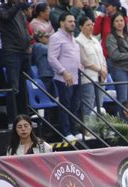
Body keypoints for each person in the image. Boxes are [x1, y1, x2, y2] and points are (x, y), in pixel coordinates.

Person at [0, 0, 33, 127]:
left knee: (25, 87)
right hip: (12, 52)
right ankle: (12, 120)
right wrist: (18, 6)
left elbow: (24, 29)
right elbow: (6, 17)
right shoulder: (1, 9)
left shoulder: (19, 11)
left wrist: (28, 44)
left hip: (24, 53)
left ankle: (25, 120)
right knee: (13, 87)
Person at [48, 12, 83, 142]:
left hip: (76, 77)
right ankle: (66, 132)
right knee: (65, 105)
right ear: (62, 22)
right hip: (63, 78)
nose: (73, 23)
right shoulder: (56, 37)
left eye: (73, 21)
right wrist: (63, 71)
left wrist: (80, 66)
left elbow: (73, 57)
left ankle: (74, 130)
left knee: (75, 105)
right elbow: (51, 58)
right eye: (69, 21)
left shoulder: (73, 38)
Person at [106, 11, 128, 118]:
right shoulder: (111, 37)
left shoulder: (127, 36)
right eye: (116, 21)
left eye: (121, 20)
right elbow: (115, 55)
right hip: (120, 69)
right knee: (123, 99)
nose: (119, 23)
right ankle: (122, 123)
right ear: (113, 23)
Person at [76, 16, 107, 120]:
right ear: (81, 27)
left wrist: (104, 70)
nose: (91, 27)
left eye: (92, 25)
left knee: (99, 105)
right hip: (89, 77)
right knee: (88, 104)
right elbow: (84, 60)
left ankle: (99, 128)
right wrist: (100, 70)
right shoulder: (78, 41)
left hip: (101, 76)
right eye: (88, 25)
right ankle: (87, 130)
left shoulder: (95, 40)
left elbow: (102, 57)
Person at [32, 31, 54, 96]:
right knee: (45, 94)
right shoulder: (37, 46)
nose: (48, 38)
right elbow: (52, 50)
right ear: (39, 38)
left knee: (51, 95)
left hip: (49, 73)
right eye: (46, 37)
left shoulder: (44, 46)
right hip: (44, 74)